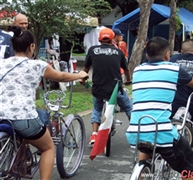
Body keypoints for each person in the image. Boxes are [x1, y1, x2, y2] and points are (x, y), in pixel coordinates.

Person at [0, 26, 88, 180]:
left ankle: (22, 162)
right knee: (48, 147)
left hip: (1, 115)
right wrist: (79, 74)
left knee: (28, 129)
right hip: (22, 116)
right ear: (32, 46)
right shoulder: (37, 65)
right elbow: (61, 76)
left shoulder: (2, 64)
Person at [126, 37, 193, 180]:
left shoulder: (137, 70)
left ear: (146, 55)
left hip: (135, 131)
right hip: (162, 132)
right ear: (167, 55)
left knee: (147, 148)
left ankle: (141, 171)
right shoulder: (174, 69)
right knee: (188, 164)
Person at [81, 28, 132, 146]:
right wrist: (128, 80)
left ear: (99, 39)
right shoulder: (118, 52)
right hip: (115, 89)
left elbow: (86, 69)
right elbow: (126, 69)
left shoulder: (92, 50)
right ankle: (135, 131)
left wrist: (83, 79)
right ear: (112, 39)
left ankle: (94, 134)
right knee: (129, 108)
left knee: (97, 109)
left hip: (98, 89)